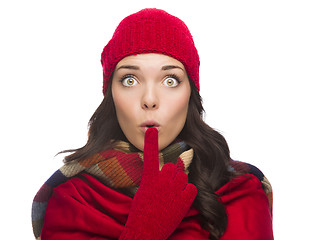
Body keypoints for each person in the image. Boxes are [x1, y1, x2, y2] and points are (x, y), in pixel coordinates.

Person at [32, 8, 273, 240]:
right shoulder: (73, 198)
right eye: (129, 80)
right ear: (111, 95)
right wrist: (143, 233)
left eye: (170, 80)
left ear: (191, 94)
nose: (149, 99)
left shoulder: (240, 191)